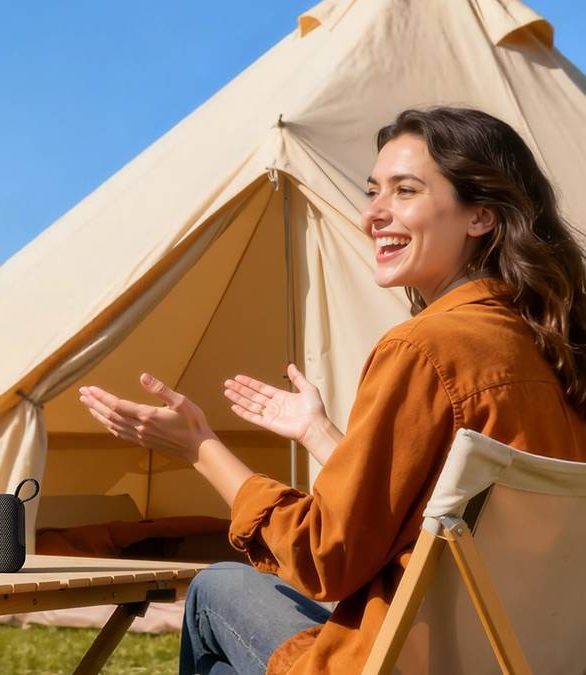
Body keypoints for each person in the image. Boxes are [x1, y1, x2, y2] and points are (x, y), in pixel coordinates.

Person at [79, 107, 586, 674]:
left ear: (481, 216)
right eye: (373, 192)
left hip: (402, 659)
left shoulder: (425, 347)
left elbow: (327, 560)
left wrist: (200, 447)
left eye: (405, 190)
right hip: (516, 659)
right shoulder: (557, 349)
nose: (373, 215)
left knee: (218, 589)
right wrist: (322, 435)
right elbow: (435, 513)